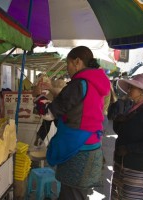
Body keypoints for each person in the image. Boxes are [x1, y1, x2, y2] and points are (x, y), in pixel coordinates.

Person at [35, 46, 111, 199]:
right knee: (76, 194)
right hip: (92, 147)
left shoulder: (78, 84)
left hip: (78, 150)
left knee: (72, 195)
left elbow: (48, 113)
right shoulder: (93, 82)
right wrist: (51, 89)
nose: (67, 69)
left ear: (77, 62)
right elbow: (72, 101)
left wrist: (37, 96)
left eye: (68, 64)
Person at [111, 74, 143, 200]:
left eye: (132, 87)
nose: (129, 90)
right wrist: (118, 121)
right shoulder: (132, 109)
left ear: (142, 92)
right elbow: (123, 132)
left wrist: (129, 149)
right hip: (123, 164)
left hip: (138, 169)